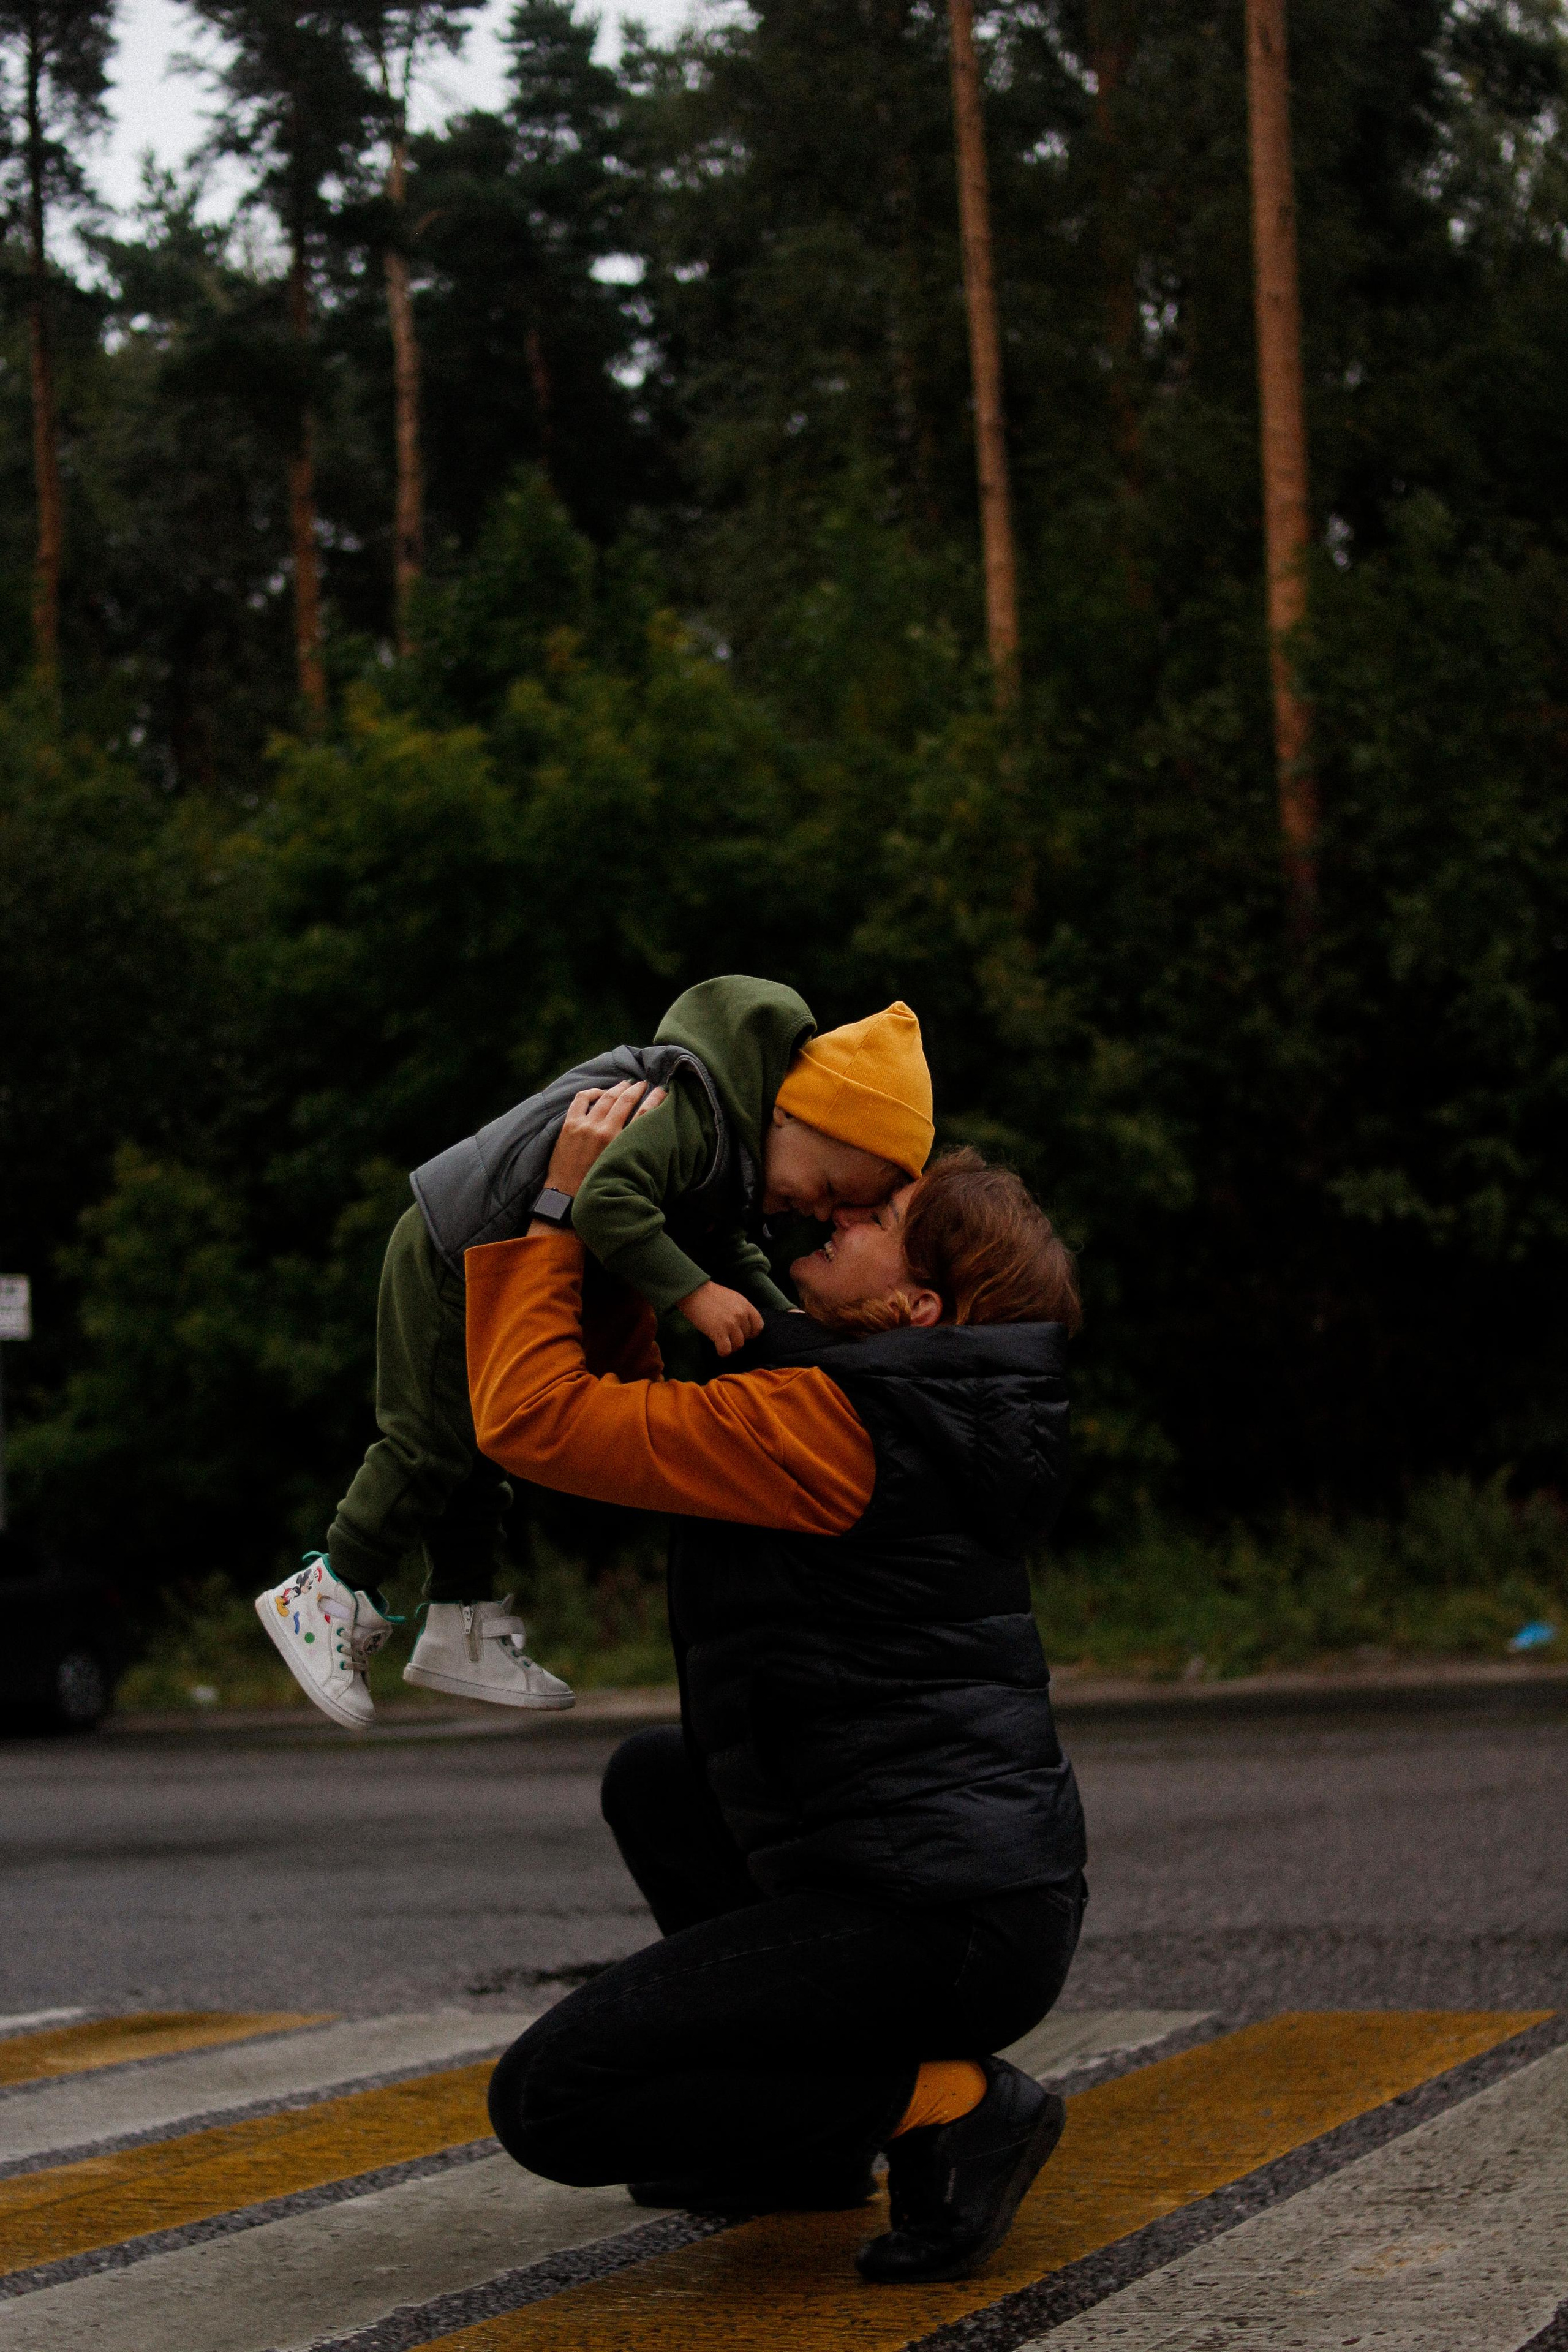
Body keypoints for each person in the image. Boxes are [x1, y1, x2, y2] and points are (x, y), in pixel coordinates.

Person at [467, 1085, 1088, 2285]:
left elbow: (532, 1417)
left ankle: (953, 2105)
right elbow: (642, 1400)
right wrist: (619, 1239)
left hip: (930, 1918)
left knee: (551, 2103)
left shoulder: (836, 1423)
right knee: (658, 1779)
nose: (842, 1214)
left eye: (876, 1218)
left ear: (916, 1305)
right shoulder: (887, 1402)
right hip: (972, 1901)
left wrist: (549, 1211)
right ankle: (791, 2151)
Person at [254, 978, 935, 1729]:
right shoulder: (695, 1115)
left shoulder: (732, 1157)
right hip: (456, 1249)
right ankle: (326, 1591)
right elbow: (606, 1201)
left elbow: (721, 1244)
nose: (817, 1213)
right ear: (791, 1116)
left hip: (501, 1257)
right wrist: (694, 1297)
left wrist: (786, 1328)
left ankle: (458, 1619)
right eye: (829, 1187)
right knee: (428, 1446)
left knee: (479, 1452)